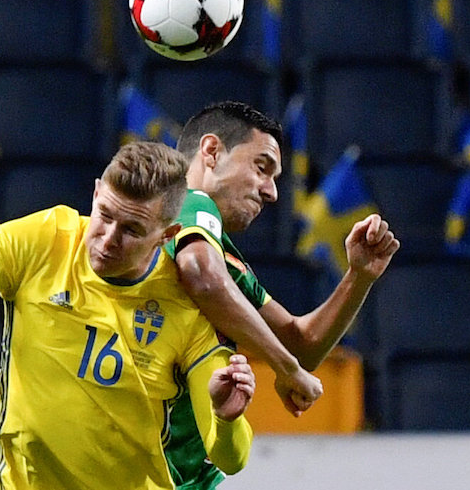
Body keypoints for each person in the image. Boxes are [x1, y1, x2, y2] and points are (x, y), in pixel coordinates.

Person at [0, 141, 256, 490]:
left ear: (166, 234)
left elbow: (231, 457)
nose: (108, 239)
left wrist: (226, 419)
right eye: (104, 214)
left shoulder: (188, 306)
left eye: (131, 230)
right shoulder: (43, 241)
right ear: (95, 193)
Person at [164, 101, 401, 489]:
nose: (272, 192)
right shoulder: (187, 207)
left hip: (182, 474)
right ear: (211, 152)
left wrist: (358, 277)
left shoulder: (220, 257)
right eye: (261, 167)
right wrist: (286, 369)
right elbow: (201, 275)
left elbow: (299, 344)